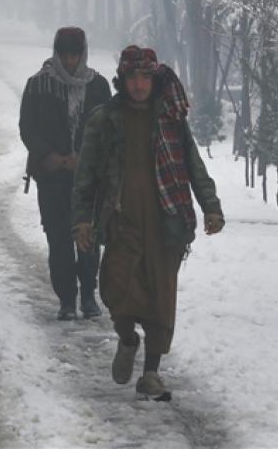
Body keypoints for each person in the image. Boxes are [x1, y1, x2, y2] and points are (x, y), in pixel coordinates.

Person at [72, 46, 225, 401]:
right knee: (116, 288)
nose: (139, 85)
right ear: (122, 80)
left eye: (145, 78)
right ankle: (127, 339)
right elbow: (86, 176)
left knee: (160, 297)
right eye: (132, 78)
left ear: (153, 80)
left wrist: (211, 207)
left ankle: (151, 373)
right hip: (121, 221)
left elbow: (193, 165)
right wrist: (82, 221)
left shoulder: (170, 118)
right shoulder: (104, 119)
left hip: (166, 222)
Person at [20, 27, 112, 321]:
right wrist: (51, 157)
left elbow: (106, 128)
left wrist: (82, 158)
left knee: (88, 237)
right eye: (65, 55)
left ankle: (88, 294)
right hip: (51, 177)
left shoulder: (97, 86)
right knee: (58, 238)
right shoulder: (38, 85)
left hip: (89, 178)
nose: (70, 61)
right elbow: (28, 127)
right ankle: (66, 299)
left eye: (74, 55)